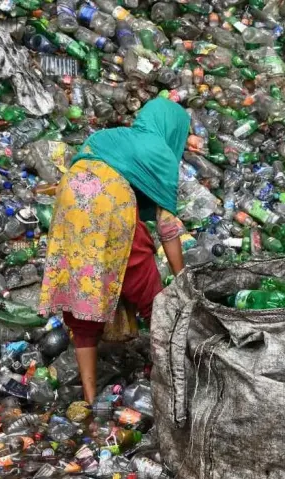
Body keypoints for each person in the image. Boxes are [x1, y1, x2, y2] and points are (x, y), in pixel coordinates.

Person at [39, 98, 189, 403]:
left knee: (85, 284)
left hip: (70, 205)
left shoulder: (110, 137)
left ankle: (91, 398)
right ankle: (175, 381)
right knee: (152, 297)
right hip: (109, 206)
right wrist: (183, 277)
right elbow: (167, 226)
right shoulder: (159, 152)